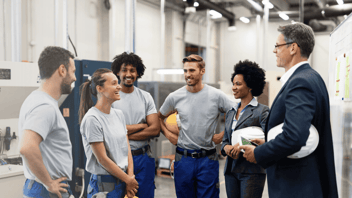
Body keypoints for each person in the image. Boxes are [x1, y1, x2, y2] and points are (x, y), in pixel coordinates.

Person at [240, 22, 339, 198]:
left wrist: (259, 153)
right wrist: (270, 144)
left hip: (297, 186)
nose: (274, 51)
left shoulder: (300, 82)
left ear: (293, 48)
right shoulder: (312, 77)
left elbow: (294, 136)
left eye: (277, 46)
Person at [158, 54, 236, 198]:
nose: (188, 75)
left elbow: (237, 113)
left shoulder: (216, 95)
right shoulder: (175, 97)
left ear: (202, 71)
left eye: (192, 70)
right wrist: (168, 135)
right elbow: (159, 117)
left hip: (208, 160)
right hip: (184, 159)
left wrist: (224, 134)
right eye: (185, 71)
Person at [18, 46, 76, 198]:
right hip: (47, 190)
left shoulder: (35, 98)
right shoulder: (45, 107)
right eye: (73, 72)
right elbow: (27, 147)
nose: (75, 78)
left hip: (41, 186)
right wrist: (49, 183)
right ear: (62, 70)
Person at [78, 68, 138, 198]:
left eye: (118, 83)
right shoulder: (92, 119)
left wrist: (130, 177)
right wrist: (128, 180)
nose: (119, 87)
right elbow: (102, 159)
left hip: (123, 180)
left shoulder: (119, 114)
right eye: (114, 83)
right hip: (104, 186)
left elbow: (127, 148)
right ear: (100, 89)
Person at [111, 52, 160, 198]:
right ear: (118, 72)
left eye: (132, 70)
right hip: (118, 159)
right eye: (124, 70)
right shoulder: (111, 97)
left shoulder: (145, 97)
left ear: (138, 72)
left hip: (143, 158)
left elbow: (155, 129)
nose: (128, 74)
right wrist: (142, 125)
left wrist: (123, 131)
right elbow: (110, 132)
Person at [221, 60, 268, 198]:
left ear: (250, 86)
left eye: (238, 84)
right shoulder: (230, 112)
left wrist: (241, 146)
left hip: (252, 171)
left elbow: (268, 142)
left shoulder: (262, 112)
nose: (234, 88)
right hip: (230, 171)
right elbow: (224, 141)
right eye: (233, 84)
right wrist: (227, 148)